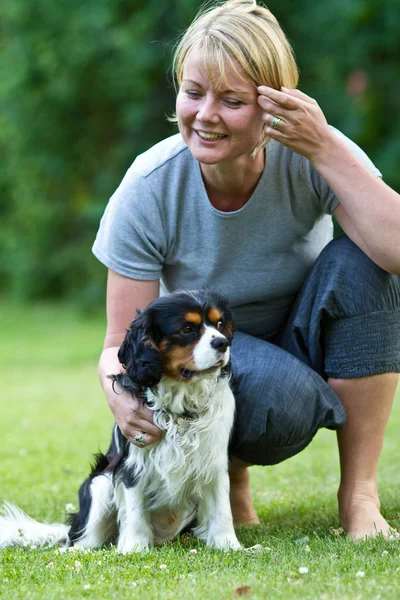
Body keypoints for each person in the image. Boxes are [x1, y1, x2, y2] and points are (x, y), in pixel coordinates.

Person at [92, 0, 400, 541]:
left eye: (232, 100)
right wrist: (117, 390)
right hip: (206, 358)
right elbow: (120, 340)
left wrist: (326, 147)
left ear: (273, 105)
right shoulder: (149, 186)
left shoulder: (313, 152)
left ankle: (359, 494)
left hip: (300, 338)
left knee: (367, 262)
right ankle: (229, 484)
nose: (206, 114)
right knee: (283, 399)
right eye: (193, 92)